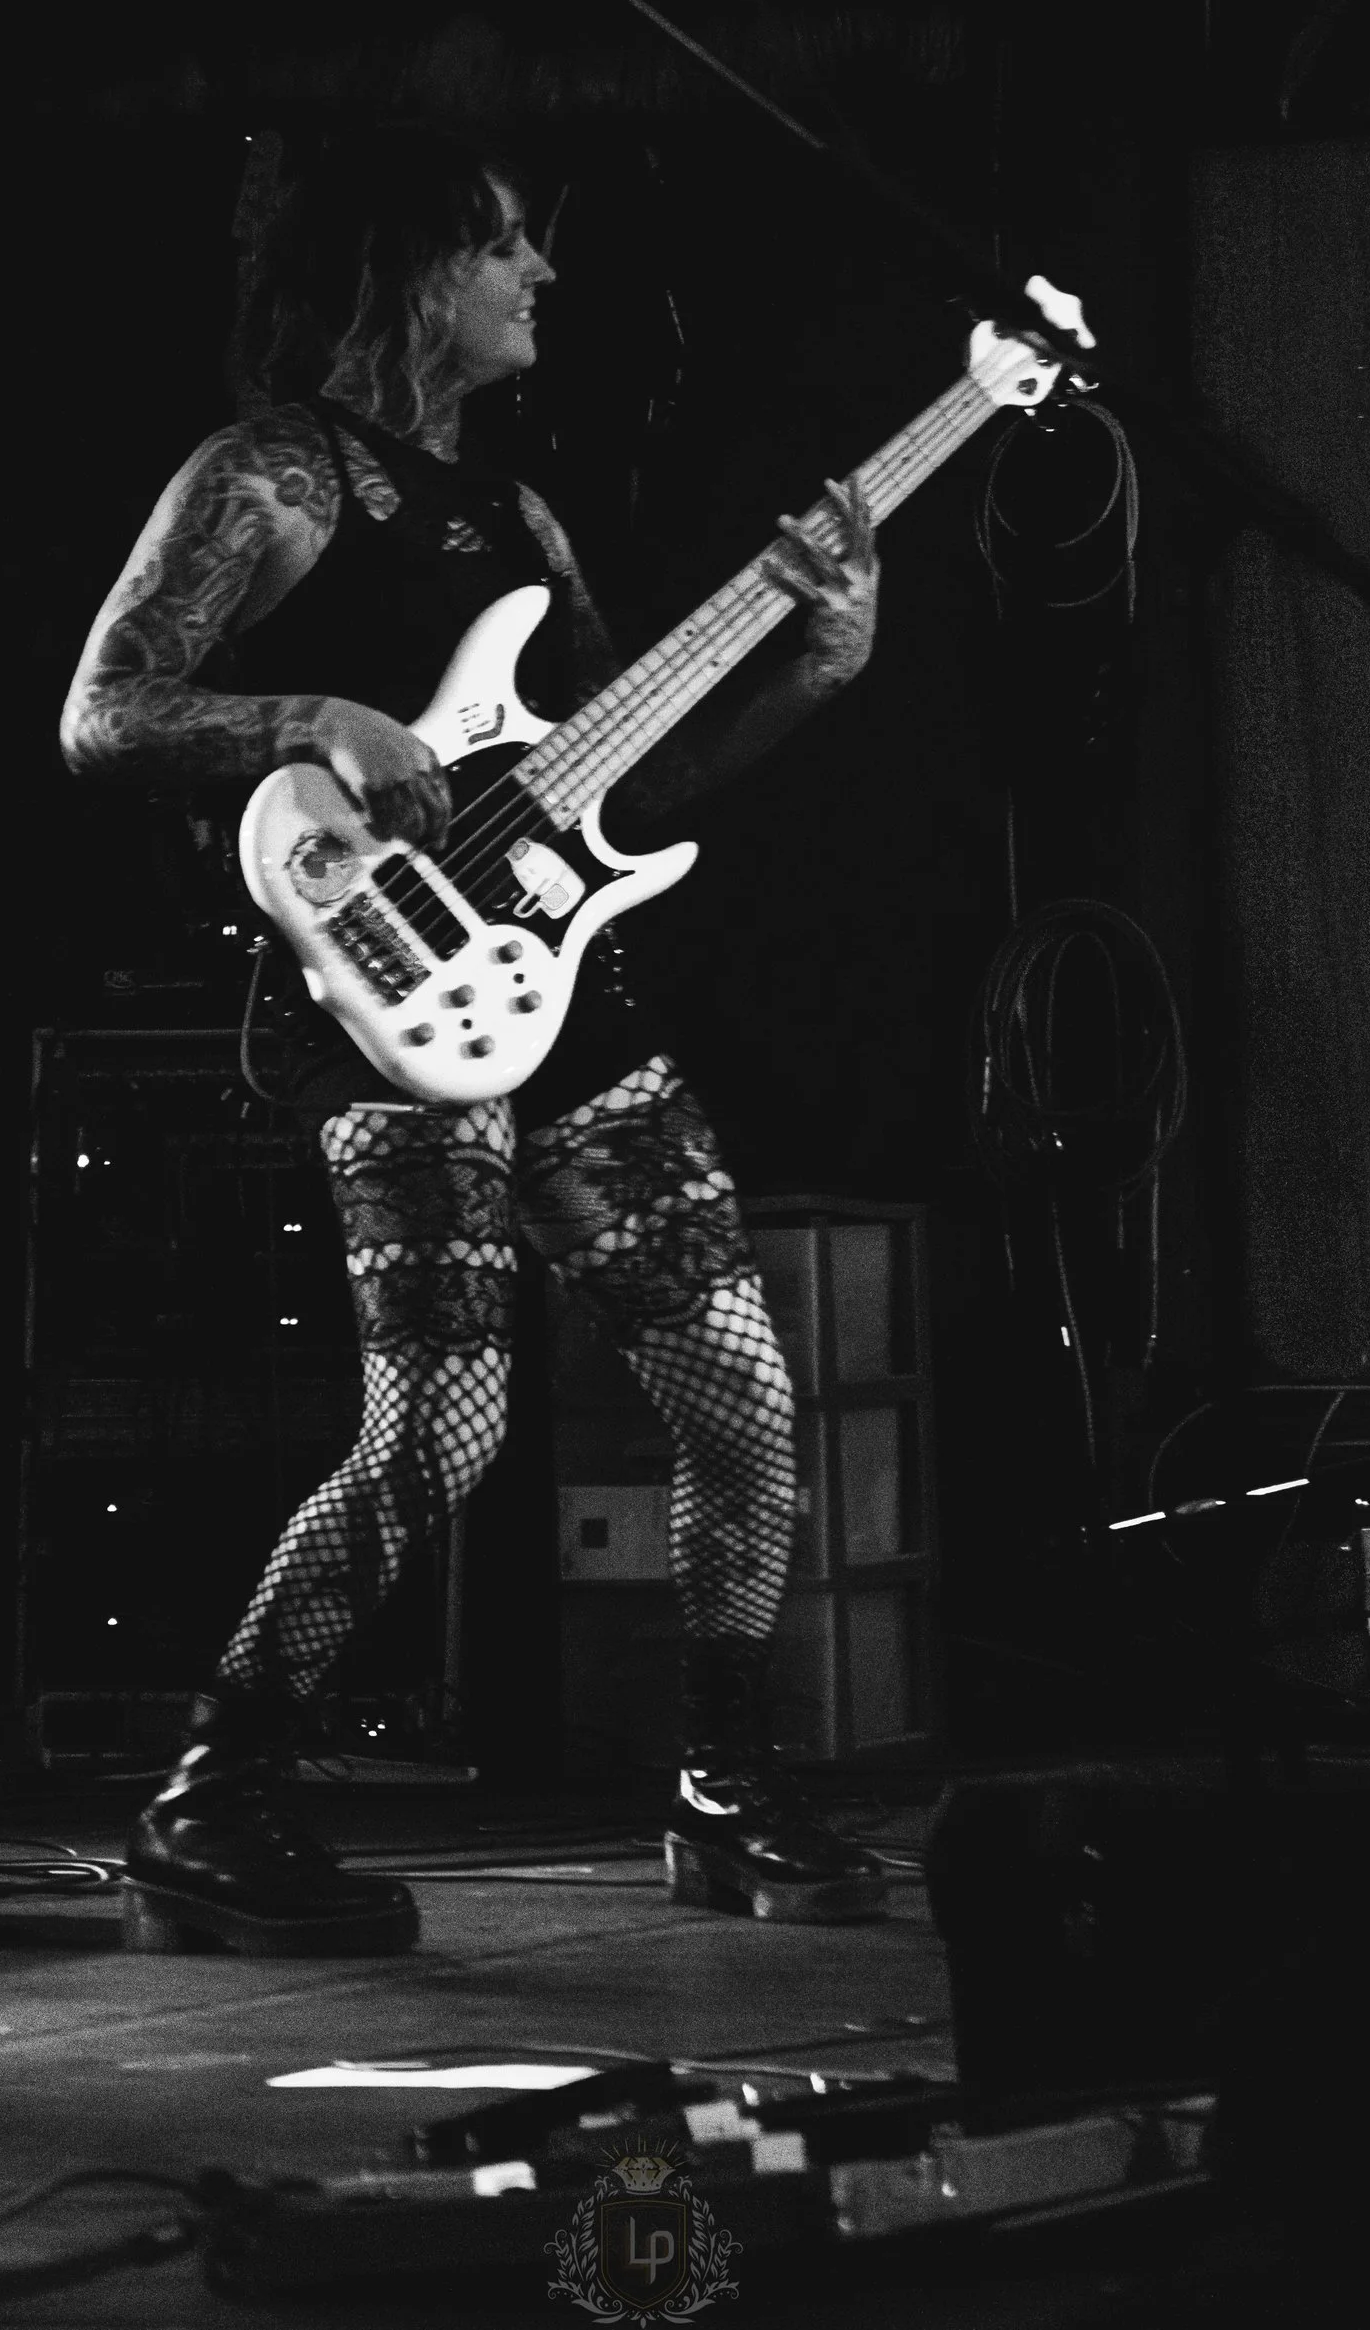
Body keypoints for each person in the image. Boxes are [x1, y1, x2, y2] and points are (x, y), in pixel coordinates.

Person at [60, 125, 888, 1949]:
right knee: (442, 1423)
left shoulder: (519, 526)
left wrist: (818, 667)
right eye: (508, 244)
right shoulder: (275, 476)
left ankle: (724, 1783)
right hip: (382, 1005)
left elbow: (629, 790)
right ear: (415, 267)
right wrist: (322, 709)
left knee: (748, 1406)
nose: (544, 277)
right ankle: (215, 1795)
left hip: (568, 995)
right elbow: (105, 713)